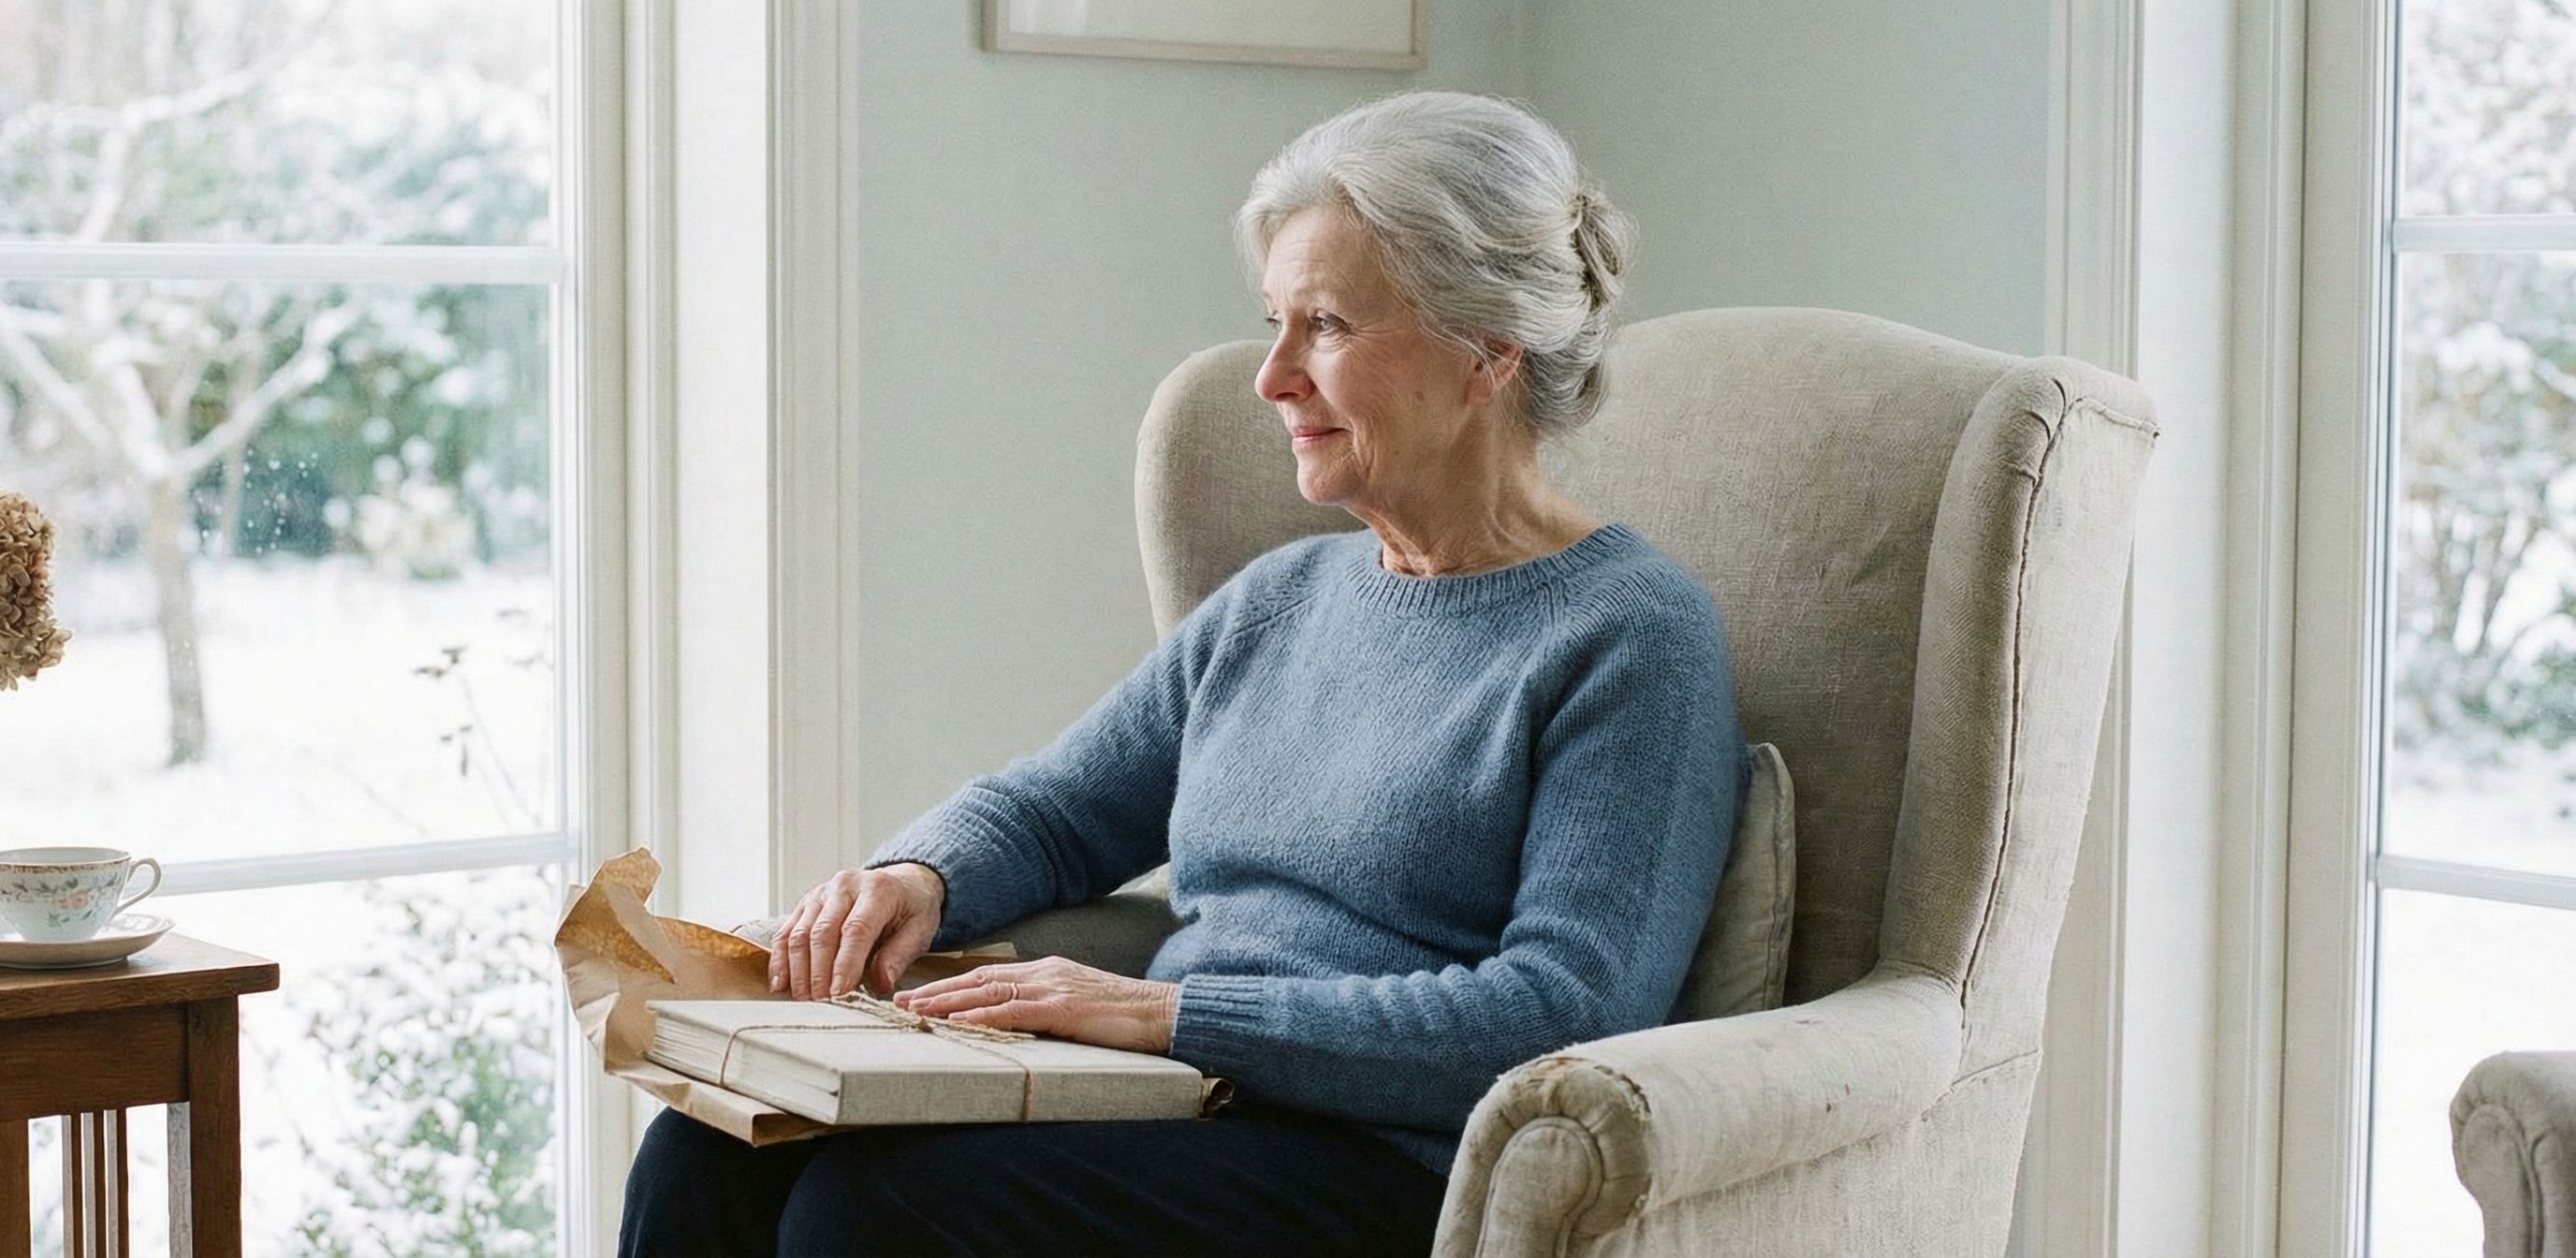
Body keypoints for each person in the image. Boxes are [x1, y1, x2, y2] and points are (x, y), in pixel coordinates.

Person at [619, 89, 1748, 1258]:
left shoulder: (1630, 637)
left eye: (1326, 326)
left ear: (1487, 351)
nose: (1273, 377)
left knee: (875, 1211)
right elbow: (1058, 812)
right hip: (1171, 1105)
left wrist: (1167, 1015)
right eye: (1275, 322)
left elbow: (1561, 1015)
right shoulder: (1281, 599)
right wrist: (919, 877)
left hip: (1387, 1163)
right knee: (711, 1147)